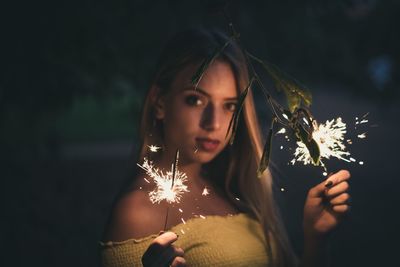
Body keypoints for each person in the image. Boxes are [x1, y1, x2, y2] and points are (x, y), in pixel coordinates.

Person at [100, 28, 351, 267]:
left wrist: (315, 238)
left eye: (230, 105)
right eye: (195, 99)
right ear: (159, 102)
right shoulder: (137, 213)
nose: (214, 123)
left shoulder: (232, 189)